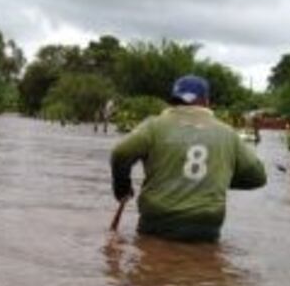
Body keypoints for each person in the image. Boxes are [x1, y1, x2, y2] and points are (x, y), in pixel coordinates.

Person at [110, 74, 266, 242]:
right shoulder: (227, 133)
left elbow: (120, 153)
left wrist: (122, 186)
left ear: (174, 100)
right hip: (207, 223)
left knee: (151, 260)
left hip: (158, 219)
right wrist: (218, 178)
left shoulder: (154, 125)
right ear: (206, 101)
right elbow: (257, 177)